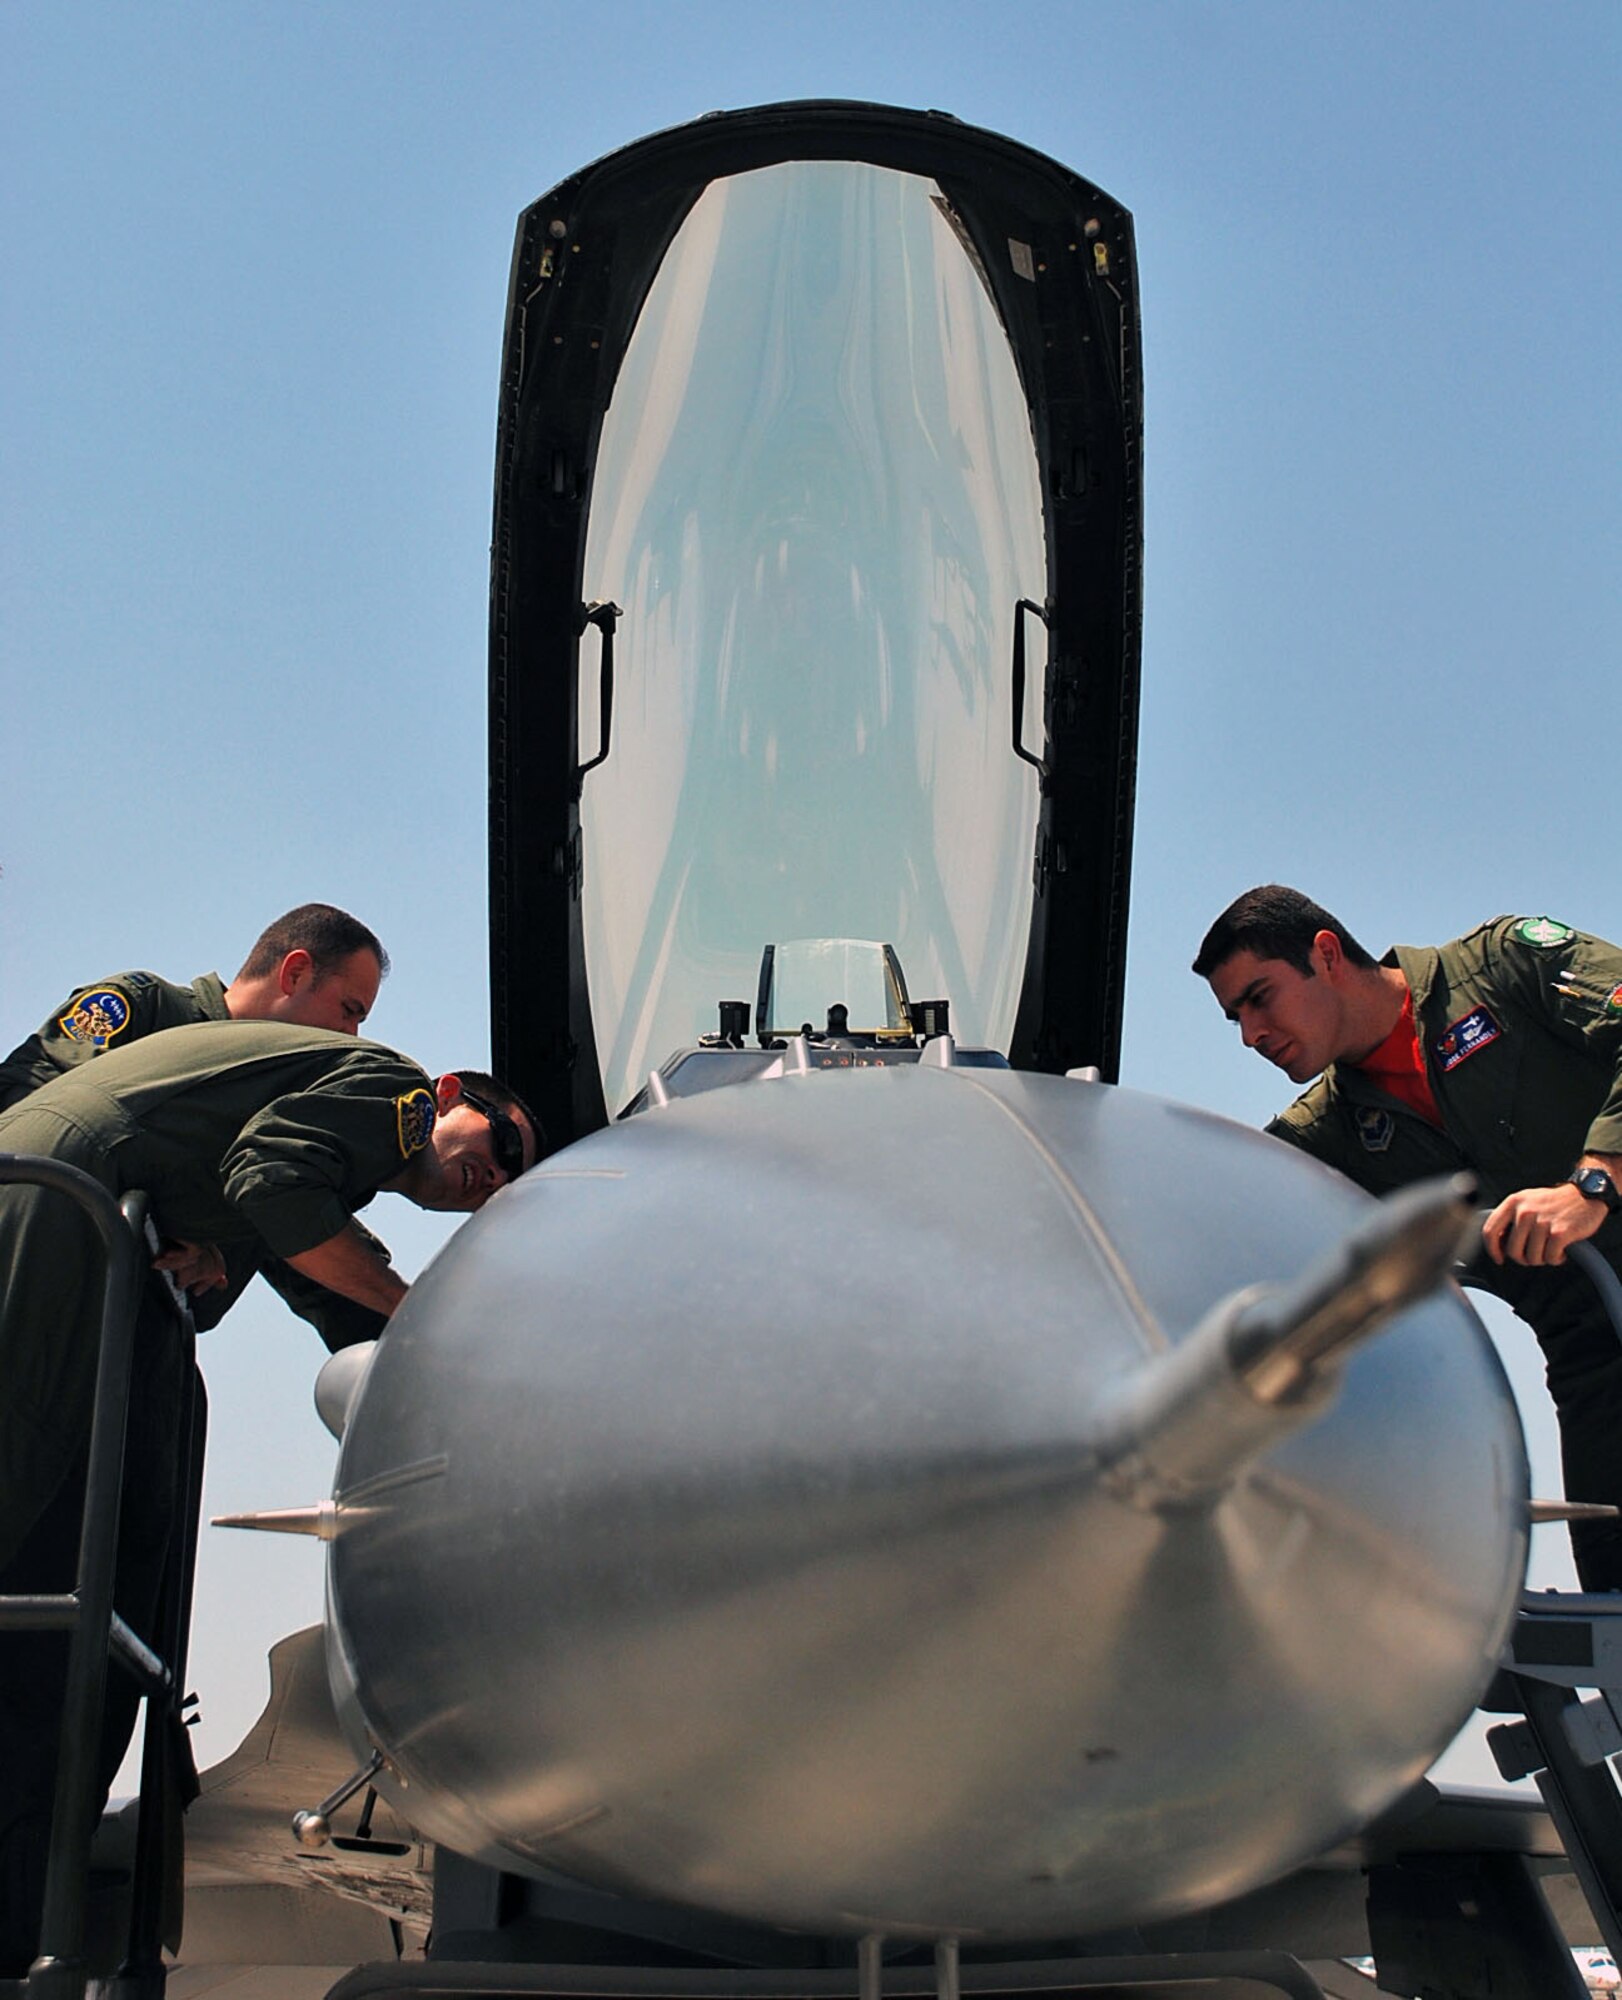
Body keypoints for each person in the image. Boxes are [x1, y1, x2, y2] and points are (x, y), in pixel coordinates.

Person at [0, 1019, 540, 1969]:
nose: (490, 1182)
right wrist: (420, 1316)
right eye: (501, 1149)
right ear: (455, 1098)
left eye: (506, 1185)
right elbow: (277, 1181)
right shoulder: (396, 1097)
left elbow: (299, 1238)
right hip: (55, 1206)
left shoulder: (345, 1159)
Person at [1193, 885, 1622, 1593]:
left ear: (1325, 955)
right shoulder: (1323, 1139)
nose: (1251, 1034)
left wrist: (1593, 1185)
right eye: (1235, 1018)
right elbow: (1224, 1231)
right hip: (1598, 1383)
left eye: (1260, 998)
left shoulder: (1505, 965)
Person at [0, 903, 393, 1350]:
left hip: (125, 1374)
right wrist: (164, 1228)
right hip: (30, 1318)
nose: (350, 1037)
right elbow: (31, 1121)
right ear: (296, 973)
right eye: (348, 1010)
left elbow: (328, 1261)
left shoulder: (276, 1132)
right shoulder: (143, 1010)